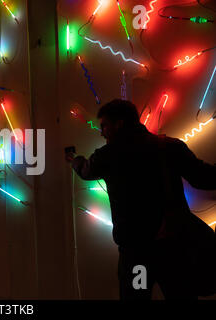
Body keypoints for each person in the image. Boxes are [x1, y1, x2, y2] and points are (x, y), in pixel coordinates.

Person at [65, 99, 216, 300]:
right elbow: (202, 177)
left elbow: (86, 170)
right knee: (180, 294)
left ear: (119, 124)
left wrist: (74, 159)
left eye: (104, 126)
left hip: (136, 253)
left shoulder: (108, 155)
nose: (102, 132)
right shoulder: (169, 146)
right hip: (173, 248)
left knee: (137, 295)